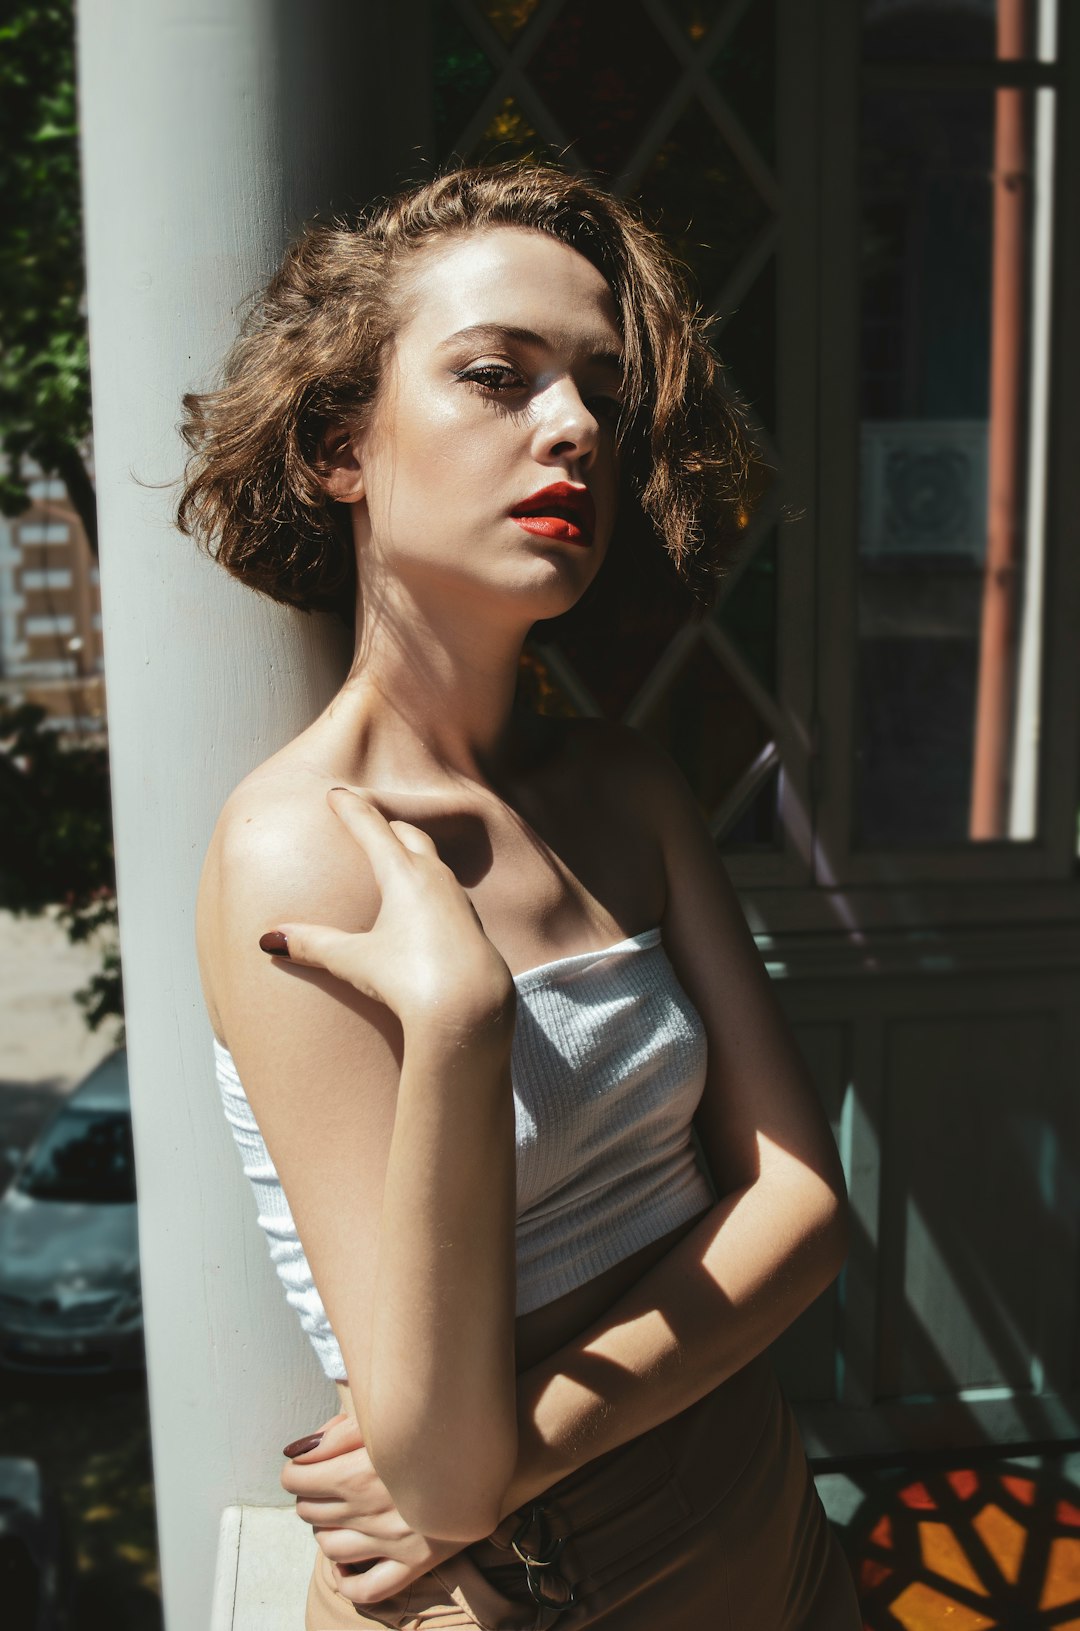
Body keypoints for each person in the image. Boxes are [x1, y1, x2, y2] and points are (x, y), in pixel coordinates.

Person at [180, 163, 862, 1629]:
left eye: (601, 397)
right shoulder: (297, 855)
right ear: (338, 444)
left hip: (765, 1530)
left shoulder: (626, 791)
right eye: (499, 376)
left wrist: (516, 1448)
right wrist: (459, 1019)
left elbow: (807, 1202)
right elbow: (434, 1470)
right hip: (535, 1598)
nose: (572, 430)